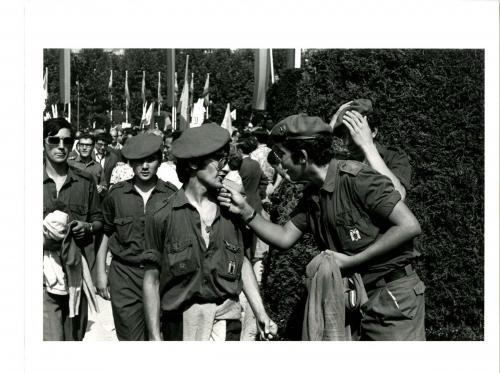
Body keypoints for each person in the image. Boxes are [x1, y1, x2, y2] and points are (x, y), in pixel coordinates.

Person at [218, 114, 425, 341]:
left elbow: (408, 226)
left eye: (281, 155)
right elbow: (285, 237)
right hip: (353, 300)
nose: (280, 163)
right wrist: (246, 212)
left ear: (303, 157)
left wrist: (352, 262)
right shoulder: (313, 193)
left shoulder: (357, 178)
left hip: (391, 298)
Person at [143, 123, 277, 341]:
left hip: (226, 319)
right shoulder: (162, 215)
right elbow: (152, 279)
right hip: (178, 323)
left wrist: (261, 313)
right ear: (194, 163)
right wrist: (154, 336)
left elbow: (241, 262)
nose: (225, 168)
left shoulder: (232, 209)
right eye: (219, 161)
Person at [95, 133, 177, 341]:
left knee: (159, 335)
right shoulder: (117, 195)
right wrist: (101, 273)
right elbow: (106, 233)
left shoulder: (171, 195)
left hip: (162, 276)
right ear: (131, 164)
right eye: (139, 161)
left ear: (159, 161)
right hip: (125, 275)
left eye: (150, 160)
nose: (145, 166)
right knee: (130, 338)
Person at [43, 118, 103, 341]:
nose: (61, 146)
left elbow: (99, 221)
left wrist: (86, 227)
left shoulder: (85, 181)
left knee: (73, 339)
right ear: (43, 142)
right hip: (41, 278)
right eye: (54, 140)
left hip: (76, 276)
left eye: (67, 141)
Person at [330, 99, 411, 200]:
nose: (347, 142)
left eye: (353, 132)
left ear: (373, 132)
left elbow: (399, 195)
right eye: (343, 135)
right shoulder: (340, 162)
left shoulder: (393, 157)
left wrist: (367, 145)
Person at [68, 132, 107, 197]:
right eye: (81, 144)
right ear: (78, 146)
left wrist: (102, 188)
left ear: (93, 147)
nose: (84, 148)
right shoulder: (70, 163)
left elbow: (104, 185)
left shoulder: (98, 167)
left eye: (88, 145)